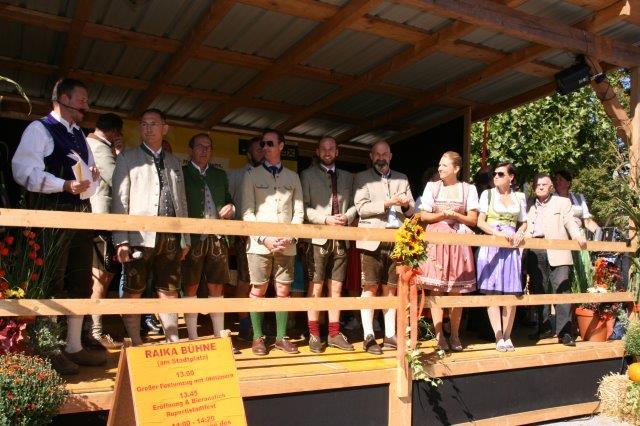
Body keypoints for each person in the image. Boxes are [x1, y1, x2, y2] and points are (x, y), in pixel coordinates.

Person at [11, 77, 106, 374]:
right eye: (82, 100)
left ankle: (74, 346)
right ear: (63, 99)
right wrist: (63, 185)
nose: (86, 106)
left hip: (80, 215)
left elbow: (88, 180)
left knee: (80, 280)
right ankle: (48, 348)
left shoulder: (80, 135)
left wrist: (92, 178)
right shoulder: (39, 129)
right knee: (50, 280)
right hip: (51, 215)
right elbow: (23, 171)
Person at [112, 108, 190, 346]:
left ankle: (172, 339)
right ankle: (135, 341)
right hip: (139, 236)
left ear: (164, 128)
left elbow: (182, 201)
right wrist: (121, 240)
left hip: (171, 237)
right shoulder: (127, 158)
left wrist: (185, 237)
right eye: (144, 124)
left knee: (170, 289)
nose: (148, 128)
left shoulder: (175, 162)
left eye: (154, 124)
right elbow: (119, 201)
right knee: (134, 289)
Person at [241, 129, 304, 356]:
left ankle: (280, 338)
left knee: (284, 290)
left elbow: (299, 212)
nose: (265, 147)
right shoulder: (251, 175)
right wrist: (264, 238)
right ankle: (257, 337)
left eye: (269, 143)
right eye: (262, 144)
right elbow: (247, 213)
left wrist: (291, 237)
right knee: (258, 289)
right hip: (259, 244)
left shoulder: (293, 177)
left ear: (281, 146)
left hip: (287, 244)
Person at [354, 140, 415, 355]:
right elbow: (361, 208)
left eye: (384, 154)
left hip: (397, 239)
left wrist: (405, 204)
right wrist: (389, 203)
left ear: (390, 156)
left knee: (391, 289)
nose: (381, 158)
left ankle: (389, 335)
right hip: (372, 239)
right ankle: (368, 336)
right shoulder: (362, 178)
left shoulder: (402, 178)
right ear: (371, 157)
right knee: (370, 287)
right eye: (377, 154)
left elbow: (412, 211)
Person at [416, 151, 478, 352]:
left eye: (444, 165)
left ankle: (455, 334)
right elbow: (423, 216)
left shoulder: (468, 189)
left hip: (458, 241)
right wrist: (443, 215)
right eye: (440, 165)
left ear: (456, 168)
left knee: (456, 289)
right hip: (437, 240)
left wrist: (456, 217)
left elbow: (473, 219)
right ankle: (439, 335)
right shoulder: (432, 187)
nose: (440, 168)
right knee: (437, 288)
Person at [300, 136, 357, 353]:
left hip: (341, 238)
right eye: (323, 149)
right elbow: (303, 207)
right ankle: (314, 333)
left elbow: (355, 205)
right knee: (316, 286)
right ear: (317, 151)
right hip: (317, 238)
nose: (327, 152)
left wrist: (347, 217)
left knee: (336, 287)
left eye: (331, 148)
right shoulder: (306, 175)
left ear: (337, 152)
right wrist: (325, 219)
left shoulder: (348, 177)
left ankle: (334, 333)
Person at [181, 133, 238, 351]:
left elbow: (229, 200)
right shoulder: (182, 173)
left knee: (217, 285)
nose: (205, 150)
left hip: (217, 237)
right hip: (193, 238)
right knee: (191, 286)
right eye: (200, 146)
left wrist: (231, 208)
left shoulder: (219, 175)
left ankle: (219, 337)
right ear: (190, 150)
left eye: (208, 147)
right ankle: (192, 338)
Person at [525, 173, 586, 346]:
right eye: (537, 184)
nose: (540, 187)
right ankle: (543, 328)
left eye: (544, 184)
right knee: (539, 290)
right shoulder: (530, 204)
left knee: (562, 289)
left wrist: (578, 237)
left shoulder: (562, 202)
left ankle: (564, 333)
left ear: (551, 187)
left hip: (558, 250)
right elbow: (524, 226)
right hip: (535, 249)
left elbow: (570, 222)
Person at [475, 163, 527, 352]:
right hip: (493, 244)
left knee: (511, 293)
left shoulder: (519, 197)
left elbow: (524, 222)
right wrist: (497, 234)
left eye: (500, 174)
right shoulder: (487, 194)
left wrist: (519, 232)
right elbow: (480, 222)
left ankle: (508, 335)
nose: (495, 176)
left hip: (511, 246)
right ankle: (498, 337)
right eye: (494, 174)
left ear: (511, 177)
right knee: (493, 292)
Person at [85, 112, 124, 351]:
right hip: (102, 219)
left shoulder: (88, 143)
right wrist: (120, 154)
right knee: (100, 276)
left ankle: (92, 330)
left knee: (101, 275)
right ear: (115, 132)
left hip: (95, 219)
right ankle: (94, 332)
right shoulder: (100, 148)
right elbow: (119, 181)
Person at [228, 136, 264, 341]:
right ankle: (244, 324)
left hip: (267, 239)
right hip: (245, 238)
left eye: (265, 149)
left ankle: (258, 324)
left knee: (262, 283)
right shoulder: (236, 175)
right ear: (249, 154)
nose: (263, 153)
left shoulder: (271, 175)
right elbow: (230, 205)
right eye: (258, 150)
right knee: (244, 281)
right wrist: (239, 229)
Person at [553, 170, 601, 292]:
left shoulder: (579, 198)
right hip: (561, 238)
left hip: (579, 237)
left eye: (560, 179)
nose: (557, 182)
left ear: (568, 183)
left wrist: (599, 232)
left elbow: (587, 222)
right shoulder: (552, 199)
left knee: (582, 271)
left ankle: (582, 299)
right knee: (563, 273)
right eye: (556, 179)